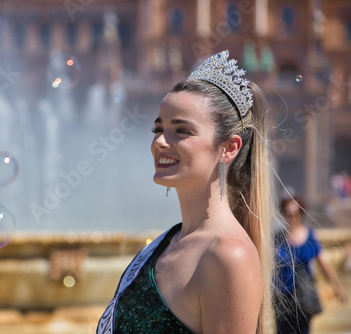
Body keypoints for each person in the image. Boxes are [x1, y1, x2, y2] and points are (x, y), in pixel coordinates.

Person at [97, 50, 275, 334]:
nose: (160, 142)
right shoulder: (169, 240)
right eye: (158, 129)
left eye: (181, 131)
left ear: (228, 148)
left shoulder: (229, 256)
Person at [275, 196, 348, 334]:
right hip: (283, 297)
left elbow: (323, 263)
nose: (291, 218)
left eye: (295, 214)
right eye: (287, 213)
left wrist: (337, 287)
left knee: (303, 330)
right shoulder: (278, 238)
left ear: (301, 214)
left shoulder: (309, 235)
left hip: (304, 295)